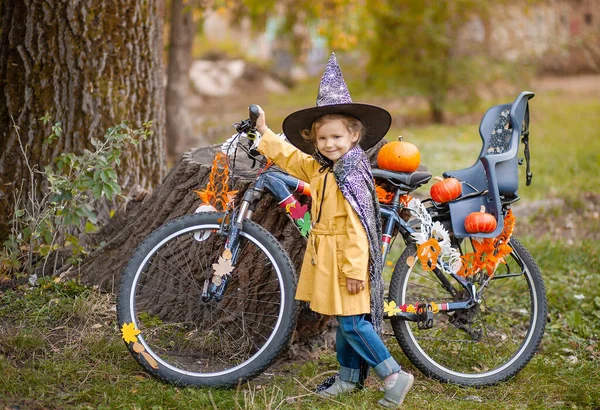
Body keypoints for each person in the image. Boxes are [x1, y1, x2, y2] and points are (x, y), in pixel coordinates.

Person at [250, 53, 414, 408]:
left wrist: (355, 269)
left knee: (355, 324)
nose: (329, 144)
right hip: (330, 257)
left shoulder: (351, 174)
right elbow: (294, 160)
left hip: (347, 261)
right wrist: (264, 134)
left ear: (354, 135)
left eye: (337, 137)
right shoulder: (324, 167)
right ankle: (349, 378)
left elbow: (358, 228)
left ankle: (394, 376)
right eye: (323, 139)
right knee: (344, 321)